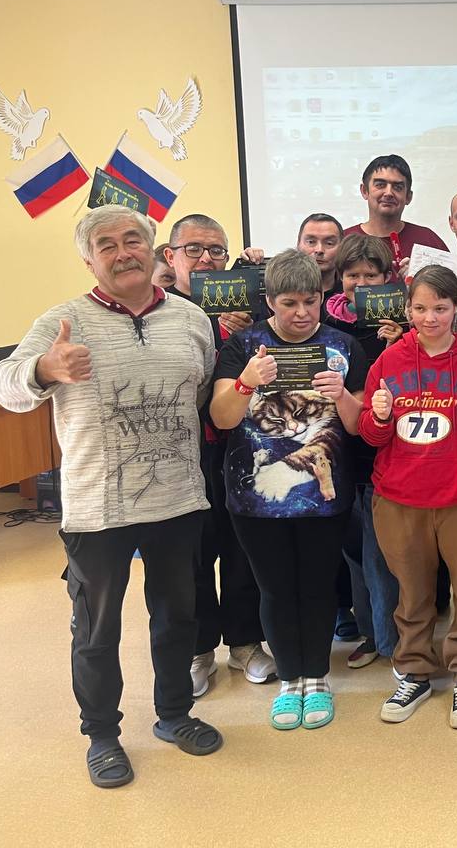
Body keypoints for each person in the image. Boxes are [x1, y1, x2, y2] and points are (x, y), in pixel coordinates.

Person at [0, 205, 222, 789]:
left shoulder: (193, 319)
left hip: (178, 500)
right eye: (107, 245)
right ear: (89, 261)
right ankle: (101, 735)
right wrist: (44, 369)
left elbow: (199, 394)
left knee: (177, 617)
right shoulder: (63, 321)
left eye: (132, 240)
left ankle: (174, 714)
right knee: (96, 629)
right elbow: (5, 387)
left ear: (152, 248)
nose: (123, 253)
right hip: (97, 508)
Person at [209, 249, 367, 732]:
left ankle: (316, 677)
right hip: (255, 500)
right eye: (289, 303)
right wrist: (246, 382)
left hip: (324, 495)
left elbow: (359, 426)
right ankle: (289, 681)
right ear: (269, 301)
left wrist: (342, 394)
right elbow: (221, 418)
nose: (302, 313)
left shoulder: (342, 346)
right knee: (275, 589)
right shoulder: (243, 346)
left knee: (318, 587)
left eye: (311, 301)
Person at [361, 265, 457, 730]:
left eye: (440, 308)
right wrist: (379, 417)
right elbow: (371, 436)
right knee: (412, 594)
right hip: (400, 499)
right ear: (408, 309)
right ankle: (415, 671)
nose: (430, 318)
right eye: (421, 308)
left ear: (456, 309)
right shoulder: (389, 361)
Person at [162, 212, 275, 695]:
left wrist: (245, 331)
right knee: (191, 553)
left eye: (216, 251)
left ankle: (246, 642)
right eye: (194, 249)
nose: (206, 259)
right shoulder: (160, 309)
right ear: (171, 256)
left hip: (239, 447)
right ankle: (198, 649)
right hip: (181, 452)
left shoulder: (244, 303)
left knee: (241, 546)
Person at [322, 234, 404, 671]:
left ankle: (389, 640)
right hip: (335, 454)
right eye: (352, 275)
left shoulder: (401, 323)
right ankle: (371, 631)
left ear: (386, 278)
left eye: (370, 275)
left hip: (379, 455)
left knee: (379, 555)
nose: (360, 283)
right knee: (353, 554)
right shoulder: (323, 322)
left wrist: (395, 346)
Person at [343, 153, 450, 259]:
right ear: (364, 191)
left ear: (408, 197)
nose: (388, 193)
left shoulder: (428, 241)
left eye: (397, 187)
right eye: (380, 185)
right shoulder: (343, 241)